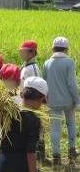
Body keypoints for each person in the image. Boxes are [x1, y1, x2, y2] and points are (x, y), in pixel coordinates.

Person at [0, 77, 48, 172]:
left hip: (4, 163)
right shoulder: (34, 120)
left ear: (21, 94)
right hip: (21, 165)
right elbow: (31, 151)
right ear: (41, 100)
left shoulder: (7, 112)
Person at [43, 37, 80, 165]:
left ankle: (56, 156)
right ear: (66, 49)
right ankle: (72, 151)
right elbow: (72, 84)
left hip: (52, 101)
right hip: (68, 100)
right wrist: (77, 100)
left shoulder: (47, 63)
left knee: (55, 129)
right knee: (71, 124)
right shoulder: (69, 62)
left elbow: (44, 83)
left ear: (53, 48)